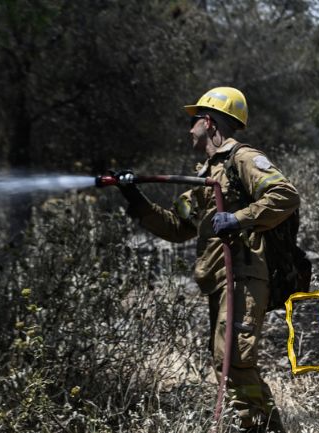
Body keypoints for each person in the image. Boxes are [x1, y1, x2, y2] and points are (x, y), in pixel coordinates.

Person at [116, 87, 299, 432]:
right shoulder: (205, 174)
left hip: (243, 274)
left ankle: (256, 427)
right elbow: (176, 226)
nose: (189, 129)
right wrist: (134, 196)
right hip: (220, 279)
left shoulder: (242, 159)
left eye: (194, 120)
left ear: (210, 122)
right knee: (226, 361)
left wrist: (239, 218)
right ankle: (264, 426)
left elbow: (285, 195)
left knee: (235, 360)